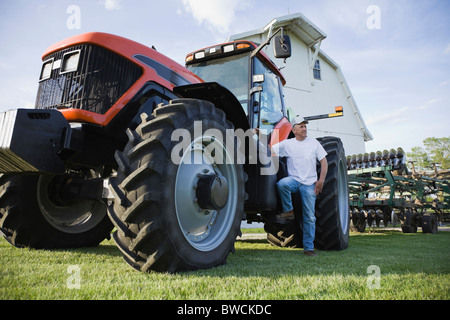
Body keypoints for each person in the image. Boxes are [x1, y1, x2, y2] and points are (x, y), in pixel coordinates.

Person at [271, 116, 328, 256]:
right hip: (294, 181)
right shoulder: (288, 144)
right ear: (294, 130)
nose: (304, 128)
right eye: (301, 126)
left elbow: (324, 162)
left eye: (305, 126)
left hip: (309, 185)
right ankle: (289, 210)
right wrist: (259, 136)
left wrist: (321, 180)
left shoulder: (314, 143)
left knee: (309, 216)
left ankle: (308, 248)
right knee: (282, 184)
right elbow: (270, 150)